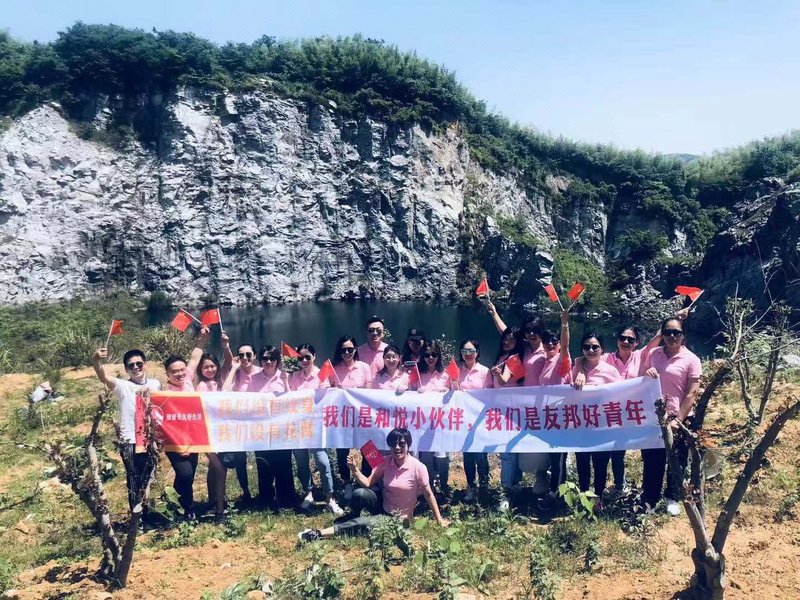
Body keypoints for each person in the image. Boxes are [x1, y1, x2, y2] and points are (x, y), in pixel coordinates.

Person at [297, 428, 448, 541]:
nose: (397, 447)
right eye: (393, 444)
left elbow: (429, 495)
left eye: (402, 444)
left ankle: (317, 534)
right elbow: (368, 483)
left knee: (360, 523)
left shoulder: (418, 467)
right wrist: (354, 470)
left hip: (398, 519)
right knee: (360, 493)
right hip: (383, 506)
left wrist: (439, 520)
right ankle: (352, 515)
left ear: (408, 445)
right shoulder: (386, 462)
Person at [91, 346, 161, 514]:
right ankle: (137, 518)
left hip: (150, 438)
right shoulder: (122, 386)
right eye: (131, 365)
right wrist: (96, 360)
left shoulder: (155, 384)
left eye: (139, 364)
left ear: (145, 364)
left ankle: (146, 512)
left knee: (148, 476)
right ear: (126, 369)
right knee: (134, 477)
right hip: (130, 439)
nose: (136, 367)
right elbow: (102, 376)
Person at [642, 313, 700, 516]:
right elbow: (643, 378)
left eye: (676, 332)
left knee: (677, 459)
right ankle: (649, 498)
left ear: (683, 335)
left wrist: (678, 420)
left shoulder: (692, 359)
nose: (672, 336)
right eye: (667, 332)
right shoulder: (654, 354)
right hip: (655, 416)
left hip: (679, 417)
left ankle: (672, 497)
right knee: (652, 459)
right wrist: (647, 373)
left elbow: (692, 393)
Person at [189, 328, 249, 520]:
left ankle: (213, 500)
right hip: (207, 432)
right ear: (200, 370)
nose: (210, 370)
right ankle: (219, 509)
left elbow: (230, 362)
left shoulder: (219, 379)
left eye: (212, 366)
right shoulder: (201, 386)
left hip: (222, 430)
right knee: (219, 468)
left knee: (214, 467)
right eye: (205, 367)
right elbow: (223, 395)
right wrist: (234, 370)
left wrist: (226, 346)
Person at [289, 343, 344, 517]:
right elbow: (289, 399)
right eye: (301, 357)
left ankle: (329, 497)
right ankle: (308, 493)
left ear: (314, 357)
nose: (304, 360)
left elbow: (325, 397)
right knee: (301, 462)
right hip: (298, 426)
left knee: (323, 462)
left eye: (308, 357)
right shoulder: (294, 377)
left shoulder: (321, 374)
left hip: (317, 427)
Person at [572, 333, 622, 507]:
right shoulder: (577, 367)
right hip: (581, 424)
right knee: (582, 462)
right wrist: (579, 370)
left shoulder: (611, 371)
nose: (591, 350)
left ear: (602, 350)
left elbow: (621, 394)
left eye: (595, 347)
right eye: (586, 347)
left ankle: (598, 496)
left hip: (603, 425)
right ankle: (584, 496)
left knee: (600, 463)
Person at [249, 345, 295, 510]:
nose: (268, 362)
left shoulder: (284, 376)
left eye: (272, 358)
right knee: (263, 463)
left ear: (277, 360)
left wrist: (286, 382)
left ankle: (287, 499)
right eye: (265, 358)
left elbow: (292, 401)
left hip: (281, 428)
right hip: (261, 428)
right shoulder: (253, 379)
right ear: (260, 360)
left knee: (284, 463)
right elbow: (249, 402)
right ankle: (266, 499)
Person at [537, 311, 573, 511]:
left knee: (559, 457)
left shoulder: (561, 360)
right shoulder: (545, 361)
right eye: (547, 342)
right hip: (548, 417)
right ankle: (560, 490)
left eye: (554, 341)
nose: (550, 344)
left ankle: (554, 495)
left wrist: (564, 324)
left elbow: (566, 346)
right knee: (553, 456)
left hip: (560, 416)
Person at [331, 335, 373, 500]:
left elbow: (369, 393)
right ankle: (347, 483)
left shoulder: (364, 367)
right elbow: (327, 392)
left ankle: (369, 480)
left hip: (361, 416)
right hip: (342, 419)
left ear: (355, 349)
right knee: (342, 451)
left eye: (350, 349)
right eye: (343, 350)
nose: (347, 352)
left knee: (369, 449)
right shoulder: (334, 369)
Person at [454, 338, 493, 503]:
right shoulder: (457, 371)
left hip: (481, 420)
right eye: (464, 351)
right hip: (463, 420)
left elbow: (490, 395)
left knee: (481, 454)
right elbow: (453, 393)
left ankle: (484, 485)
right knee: (468, 454)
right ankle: (471, 485)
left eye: (471, 351)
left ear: (477, 352)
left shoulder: (485, 371)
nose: (468, 354)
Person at [491, 326, 526, 510]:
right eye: (505, 338)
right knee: (511, 450)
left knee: (507, 451)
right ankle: (515, 484)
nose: (506, 341)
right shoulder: (504, 356)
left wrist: (498, 374)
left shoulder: (514, 358)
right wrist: (493, 313)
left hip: (511, 411)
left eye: (511, 339)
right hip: (503, 410)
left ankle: (505, 490)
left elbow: (504, 380)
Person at [162, 354, 200, 518]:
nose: (180, 374)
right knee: (185, 474)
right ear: (167, 374)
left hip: (193, 440)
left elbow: (195, 358)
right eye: (174, 371)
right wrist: (178, 446)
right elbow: (164, 424)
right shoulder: (165, 395)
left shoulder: (188, 382)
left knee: (188, 475)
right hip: (174, 442)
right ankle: (189, 510)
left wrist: (203, 339)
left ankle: (175, 504)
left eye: (182, 370)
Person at [416, 340, 452, 500]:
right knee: (426, 458)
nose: (430, 358)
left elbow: (456, 394)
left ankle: (443, 486)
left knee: (442, 457)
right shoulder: (417, 374)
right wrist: (414, 391)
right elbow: (407, 393)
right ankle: (428, 487)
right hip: (423, 424)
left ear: (439, 355)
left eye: (434, 354)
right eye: (426, 355)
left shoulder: (446, 373)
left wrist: (448, 391)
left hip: (442, 423)